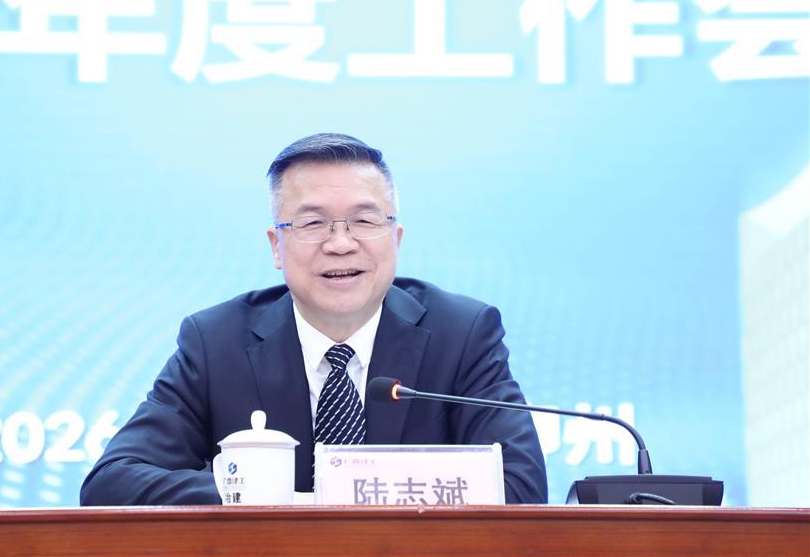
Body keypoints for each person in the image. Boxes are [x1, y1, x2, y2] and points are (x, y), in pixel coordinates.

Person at [80, 133, 547, 505]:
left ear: (396, 239)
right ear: (276, 246)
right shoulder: (216, 342)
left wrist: (354, 499)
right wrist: (265, 496)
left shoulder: (462, 334)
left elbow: (521, 487)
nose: (340, 243)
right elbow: (112, 483)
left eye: (364, 221)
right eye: (312, 223)